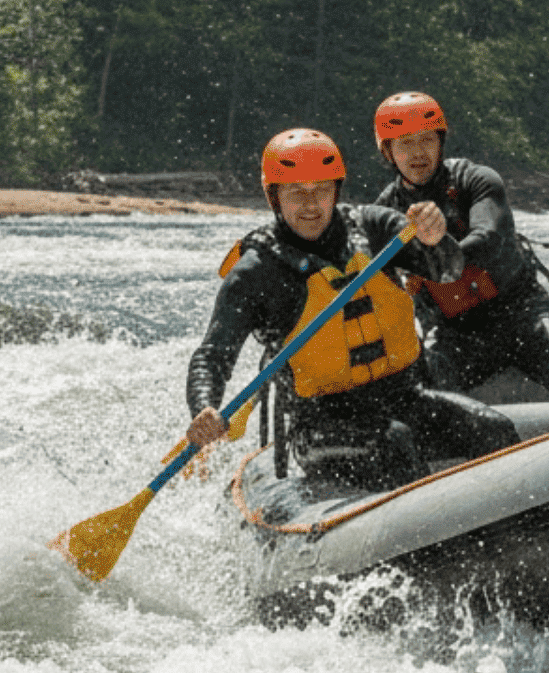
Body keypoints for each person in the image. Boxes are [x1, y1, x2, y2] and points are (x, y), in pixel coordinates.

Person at [186, 127, 519, 489]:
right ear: (275, 197)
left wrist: (437, 239)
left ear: (336, 191)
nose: (311, 205)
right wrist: (205, 406)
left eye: (322, 191)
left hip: (405, 396)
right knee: (394, 443)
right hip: (320, 426)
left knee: (492, 429)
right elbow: (213, 354)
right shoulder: (256, 272)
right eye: (297, 193)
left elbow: (447, 269)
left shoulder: (375, 228)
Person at [370, 91, 549, 400]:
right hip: (456, 334)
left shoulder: (477, 180)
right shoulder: (383, 215)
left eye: (426, 140)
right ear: (388, 152)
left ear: (440, 142)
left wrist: (436, 252)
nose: (418, 152)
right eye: (405, 143)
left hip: (522, 316)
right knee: (423, 402)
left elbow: (488, 238)